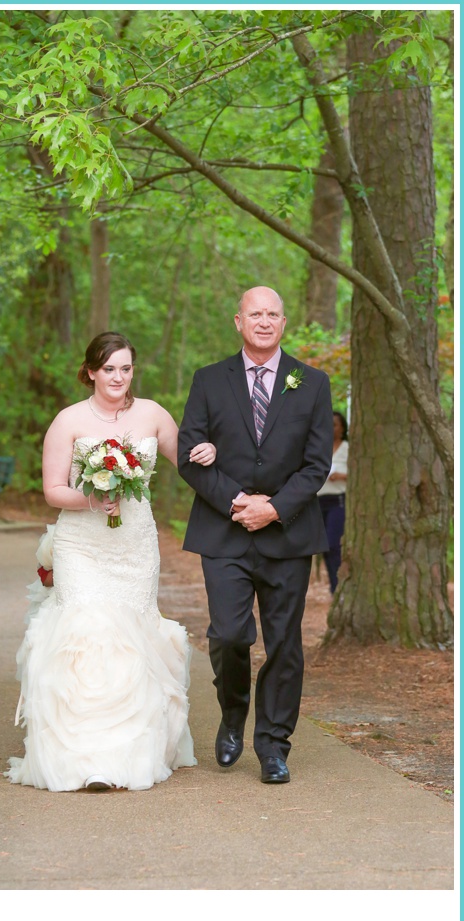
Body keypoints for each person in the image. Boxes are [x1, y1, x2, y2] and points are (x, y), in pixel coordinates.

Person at [6, 331, 216, 792]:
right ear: (91, 372)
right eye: (109, 369)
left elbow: (189, 464)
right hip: (83, 544)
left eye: (125, 368)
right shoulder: (68, 421)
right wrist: (91, 499)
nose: (118, 377)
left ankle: (126, 754)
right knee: (85, 637)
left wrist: (209, 451)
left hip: (134, 545)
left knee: (131, 639)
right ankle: (82, 758)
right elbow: (53, 491)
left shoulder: (153, 414)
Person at [177, 286, 332, 785]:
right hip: (224, 531)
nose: (264, 321)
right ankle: (231, 715)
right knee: (227, 635)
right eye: (255, 314)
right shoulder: (208, 380)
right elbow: (188, 452)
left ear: (283, 324)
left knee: (285, 644)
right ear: (238, 321)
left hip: (288, 535)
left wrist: (275, 508)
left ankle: (273, 744)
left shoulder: (311, 382)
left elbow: (317, 464)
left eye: (273, 314)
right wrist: (237, 503)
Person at [317, 411, 349, 592]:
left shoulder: (347, 448)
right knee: (324, 547)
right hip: (318, 502)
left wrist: (342, 476)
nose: (331, 428)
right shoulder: (320, 447)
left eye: (335, 424)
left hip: (337, 501)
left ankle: (339, 587)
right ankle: (334, 588)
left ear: (342, 428)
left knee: (333, 544)